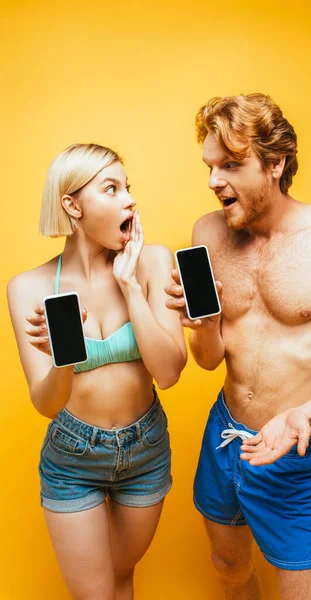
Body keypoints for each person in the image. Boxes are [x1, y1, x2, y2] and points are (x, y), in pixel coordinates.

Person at [165, 94, 311, 600]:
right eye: (209, 166)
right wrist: (202, 327)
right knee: (226, 564)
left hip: (293, 447)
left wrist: (309, 414)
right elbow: (208, 360)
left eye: (231, 164)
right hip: (223, 435)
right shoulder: (206, 233)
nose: (213, 181)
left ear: (276, 163)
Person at [7, 143, 187, 600]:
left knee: (120, 581)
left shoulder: (151, 262)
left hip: (145, 451)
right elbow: (47, 404)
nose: (130, 199)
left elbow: (168, 372)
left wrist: (130, 288)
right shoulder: (28, 287)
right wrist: (63, 358)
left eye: (128, 188)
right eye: (111, 188)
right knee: (95, 594)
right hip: (74, 457)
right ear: (72, 205)